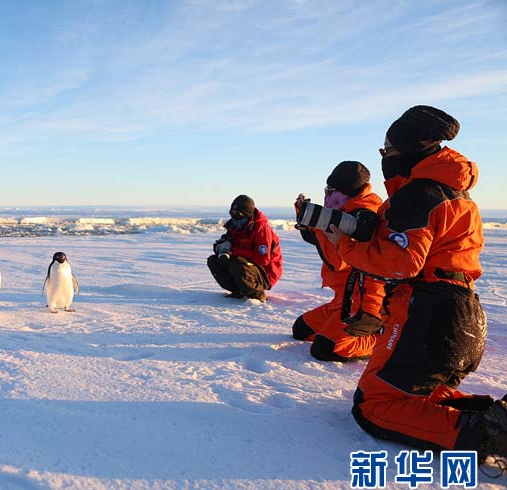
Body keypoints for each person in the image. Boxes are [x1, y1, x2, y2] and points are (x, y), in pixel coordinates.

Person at [323, 105, 506, 464]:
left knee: (374, 405)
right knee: (411, 395)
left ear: (406, 151)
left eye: (387, 151)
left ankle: (489, 433)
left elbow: (400, 263)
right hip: (461, 312)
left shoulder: (417, 195)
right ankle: (492, 419)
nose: (384, 159)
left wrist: (343, 243)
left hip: (429, 313)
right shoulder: (455, 194)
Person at [292, 162, 386, 362]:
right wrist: (307, 219)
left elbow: (338, 262)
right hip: (343, 301)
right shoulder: (345, 211)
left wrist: (318, 224)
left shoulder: (363, 218)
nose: (327, 196)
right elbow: (319, 241)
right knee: (301, 330)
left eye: (331, 191)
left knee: (325, 349)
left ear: (345, 192)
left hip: (366, 305)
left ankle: (381, 338)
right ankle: (337, 327)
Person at [207, 195, 282, 302]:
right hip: (247, 267)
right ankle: (239, 291)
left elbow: (263, 259)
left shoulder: (261, 228)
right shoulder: (233, 227)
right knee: (214, 261)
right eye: (232, 214)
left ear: (248, 215)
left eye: (239, 215)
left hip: (266, 273)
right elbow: (224, 244)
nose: (235, 218)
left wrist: (235, 251)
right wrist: (220, 248)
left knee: (237, 262)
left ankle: (257, 294)